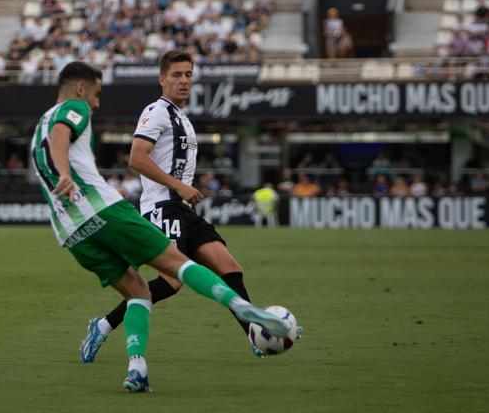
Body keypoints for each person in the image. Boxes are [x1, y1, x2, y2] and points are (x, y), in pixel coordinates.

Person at [31, 61, 293, 392]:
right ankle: (106, 324)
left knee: (229, 267)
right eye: (177, 75)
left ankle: (254, 336)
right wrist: (177, 186)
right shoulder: (151, 111)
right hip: (160, 205)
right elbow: (137, 158)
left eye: (188, 75)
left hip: (99, 221)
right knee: (172, 279)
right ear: (162, 79)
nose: (184, 81)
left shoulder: (181, 117)